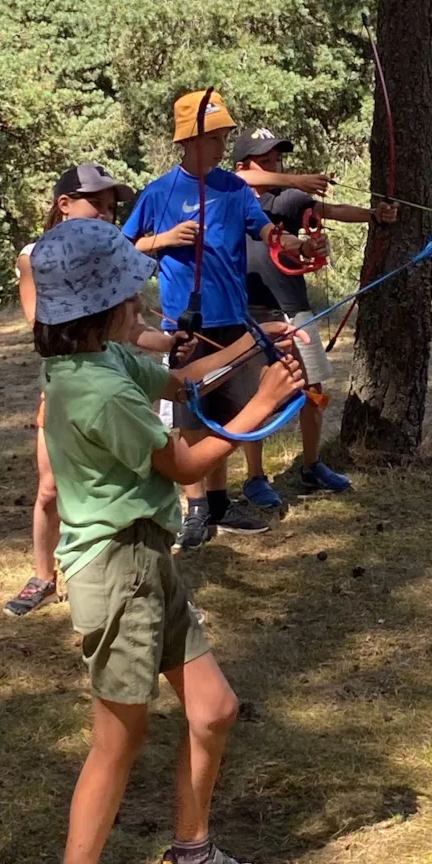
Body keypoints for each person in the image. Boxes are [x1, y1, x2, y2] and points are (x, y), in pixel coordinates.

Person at [33, 218, 305, 864]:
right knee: (117, 740)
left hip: (147, 560)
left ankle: (190, 859)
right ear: (108, 306)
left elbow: (179, 381)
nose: (143, 306)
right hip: (116, 571)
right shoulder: (94, 388)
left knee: (213, 708)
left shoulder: (102, 358)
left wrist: (253, 347)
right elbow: (182, 462)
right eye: (133, 296)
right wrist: (264, 403)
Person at [125, 91, 307, 550]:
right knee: (191, 414)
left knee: (228, 411)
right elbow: (123, 248)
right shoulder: (159, 192)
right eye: (214, 136)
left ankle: (221, 502)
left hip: (233, 320)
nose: (222, 145)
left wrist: (293, 246)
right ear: (189, 140)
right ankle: (195, 509)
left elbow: (266, 233)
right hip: (187, 324)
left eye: (224, 136)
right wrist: (163, 239)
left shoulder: (234, 188)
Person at [5, 163, 188, 617]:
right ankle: (43, 575)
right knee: (50, 489)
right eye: (96, 205)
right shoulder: (37, 256)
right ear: (63, 204)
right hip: (69, 384)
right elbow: (42, 324)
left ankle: (106, 571)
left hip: (111, 371)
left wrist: (165, 342)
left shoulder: (107, 254)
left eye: (111, 208)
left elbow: (128, 329)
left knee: (118, 476)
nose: (106, 215)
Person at [234, 128, 399, 494]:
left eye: (278, 159)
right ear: (243, 163)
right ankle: (255, 477)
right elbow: (241, 179)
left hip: (292, 306)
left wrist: (374, 215)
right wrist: (295, 177)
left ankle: (312, 465)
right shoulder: (230, 196)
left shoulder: (288, 199)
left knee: (312, 386)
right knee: (256, 392)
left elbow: (330, 210)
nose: (274, 166)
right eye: (266, 160)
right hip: (248, 310)